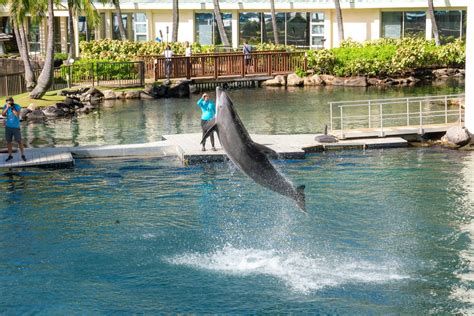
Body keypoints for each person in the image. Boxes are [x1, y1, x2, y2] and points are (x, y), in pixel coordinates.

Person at [2, 97, 26, 162]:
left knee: (19, 141)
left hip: (16, 127)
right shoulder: (5, 106)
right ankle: (10, 155)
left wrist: (12, 108)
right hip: (8, 127)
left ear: (13, 101)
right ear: (6, 102)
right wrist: (7, 108)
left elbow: (17, 115)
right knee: (8, 142)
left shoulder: (17, 106)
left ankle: (22, 155)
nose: (9, 103)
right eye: (8, 102)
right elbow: (3, 114)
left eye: (10, 102)